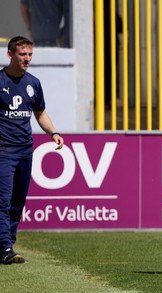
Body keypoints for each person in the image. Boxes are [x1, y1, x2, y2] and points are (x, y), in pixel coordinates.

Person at [0, 36, 64, 264]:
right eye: (22, 54)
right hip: (3, 151)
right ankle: (5, 247)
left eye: (30, 55)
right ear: (10, 55)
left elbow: (40, 114)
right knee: (3, 201)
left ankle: (7, 245)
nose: (27, 59)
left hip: (26, 151)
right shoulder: (0, 81)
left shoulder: (33, 83)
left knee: (17, 202)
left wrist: (53, 132)